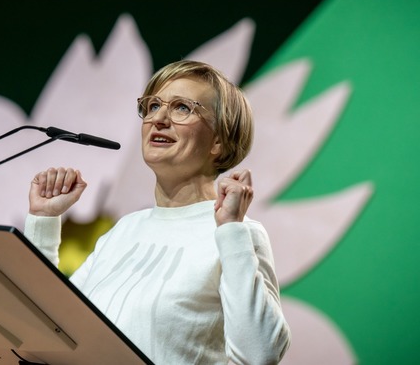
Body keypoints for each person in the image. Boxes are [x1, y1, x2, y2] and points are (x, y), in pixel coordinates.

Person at [24, 60, 291, 364]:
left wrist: (231, 230)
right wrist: (43, 221)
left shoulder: (237, 233)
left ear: (219, 140)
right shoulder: (126, 229)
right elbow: (51, 323)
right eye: (152, 106)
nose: (159, 119)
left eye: (182, 108)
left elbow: (260, 354)